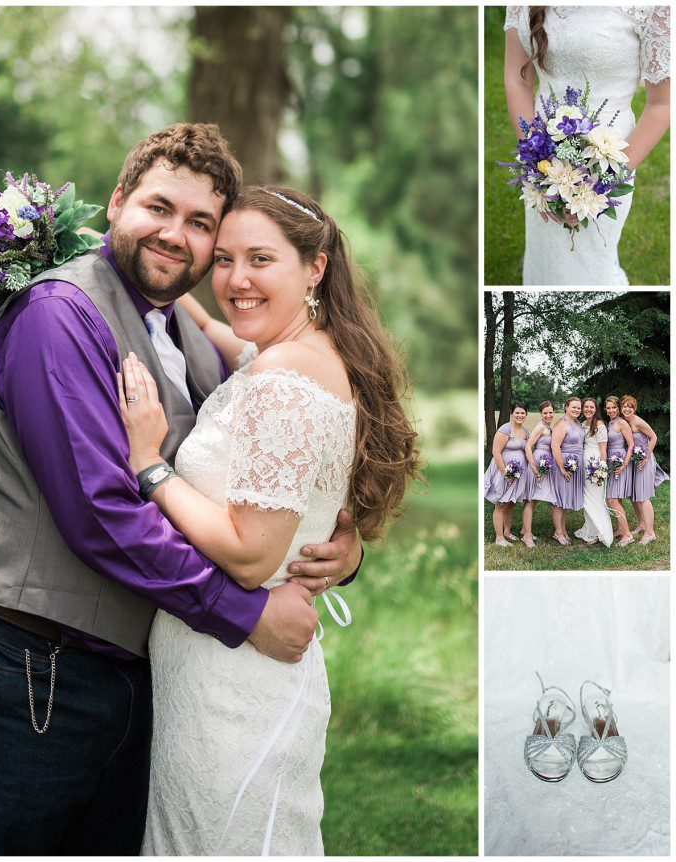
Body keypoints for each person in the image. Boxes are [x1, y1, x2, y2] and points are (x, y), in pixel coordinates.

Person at [0, 124, 363, 856]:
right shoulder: (58, 316)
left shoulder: (189, 335)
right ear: (118, 200)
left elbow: (251, 480)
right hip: (19, 662)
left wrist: (336, 548)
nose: (175, 235)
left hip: (137, 674)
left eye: (199, 225)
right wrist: (244, 612)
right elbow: (101, 511)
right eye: (159, 207)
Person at [119, 185, 419, 854]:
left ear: (314, 267)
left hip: (236, 680)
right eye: (222, 259)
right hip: (225, 668)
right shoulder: (296, 353)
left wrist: (151, 465)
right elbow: (227, 336)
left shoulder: (285, 383)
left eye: (260, 259)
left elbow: (252, 554)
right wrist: (148, 277)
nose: (236, 278)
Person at [503, 6, 670, 285]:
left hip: (610, 162)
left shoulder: (654, 7)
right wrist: (536, 161)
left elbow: (662, 104)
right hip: (542, 160)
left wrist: (602, 184)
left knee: (593, 262)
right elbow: (516, 80)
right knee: (546, 257)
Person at [621, 394, 669, 544]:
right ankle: (642, 523)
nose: (627, 409)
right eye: (625, 406)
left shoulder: (638, 422)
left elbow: (653, 437)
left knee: (643, 497)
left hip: (643, 461)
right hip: (633, 462)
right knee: (633, 496)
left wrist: (646, 456)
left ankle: (650, 533)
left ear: (634, 409)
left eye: (630, 406)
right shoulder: (623, 422)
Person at [484, 403, 529, 548]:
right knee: (501, 504)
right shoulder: (505, 429)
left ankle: (508, 531)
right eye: (517, 413)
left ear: (526, 415)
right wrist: (505, 473)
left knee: (511, 503)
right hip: (503, 471)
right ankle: (499, 537)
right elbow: (496, 452)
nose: (520, 416)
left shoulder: (526, 430)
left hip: (518, 473)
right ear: (512, 414)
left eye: (522, 413)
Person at [573, 397, 613, 547]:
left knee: (595, 498)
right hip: (584, 463)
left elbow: (603, 450)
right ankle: (590, 529)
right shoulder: (583, 424)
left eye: (591, 407)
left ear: (596, 409)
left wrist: (600, 470)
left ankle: (600, 532)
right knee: (586, 498)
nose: (588, 409)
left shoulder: (600, 425)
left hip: (595, 465)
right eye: (586, 407)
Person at [520, 400, 559, 546]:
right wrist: (534, 467)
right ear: (541, 414)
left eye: (550, 412)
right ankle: (527, 536)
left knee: (534, 498)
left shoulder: (549, 427)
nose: (548, 415)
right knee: (530, 499)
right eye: (545, 413)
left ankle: (525, 529)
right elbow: (528, 447)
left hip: (545, 464)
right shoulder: (540, 427)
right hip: (537, 463)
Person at [549, 396, 585, 544]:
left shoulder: (577, 423)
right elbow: (555, 446)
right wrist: (562, 467)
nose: (576, 410)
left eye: (578, 407)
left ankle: (562, 530)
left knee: (565, 499)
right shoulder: (561, 424)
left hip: (575, 465)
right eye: (573, 407)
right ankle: (558, 532)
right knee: (559, 499)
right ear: (566, 407)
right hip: (563, 465)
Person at [603, 394, 635, 545]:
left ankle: (628, 534)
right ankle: (620, 529)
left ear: (618, 408)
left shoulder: (621, 423)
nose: (611, 410)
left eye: (613, 407)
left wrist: (624, 464)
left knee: (612, 499)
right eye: (608, 408)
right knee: (617, 498)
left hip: (620, 462)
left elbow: (631, 445)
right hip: (611, 463)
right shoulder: (609, 423)